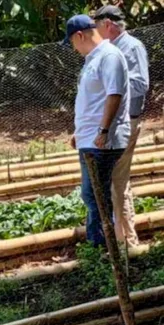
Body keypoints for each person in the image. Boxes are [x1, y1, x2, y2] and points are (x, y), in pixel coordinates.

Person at [64, 15, 131, 247]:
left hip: (102, 141)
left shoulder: (109, 56)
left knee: (95, 197)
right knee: (94, 196)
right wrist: (79, 131)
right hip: (90, 138)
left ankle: (102, 248)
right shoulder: (93, 59)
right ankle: (100, 247)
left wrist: (102, 130)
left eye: (72, 42)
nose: (73, 48)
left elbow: (114, 95)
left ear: (80, 35)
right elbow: (93, 100)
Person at [94, 5, 150, 248]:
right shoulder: (110, 50)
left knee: (117, 182)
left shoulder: (132, 47)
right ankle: (120, 239)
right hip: (114, 123)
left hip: (126, 123)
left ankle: (127, 243)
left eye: (97, 26)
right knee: (113, 181)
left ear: (108, 24)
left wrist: (114, 87)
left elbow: (141, 84)